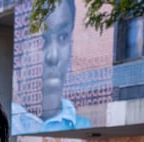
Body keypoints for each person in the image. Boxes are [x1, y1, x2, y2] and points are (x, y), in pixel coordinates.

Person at [11, 0, 91, 134]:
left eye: (62, 37)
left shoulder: (83, 125)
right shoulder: (5, 121)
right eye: (42, 39)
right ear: (21, 48)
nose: (53, 56)